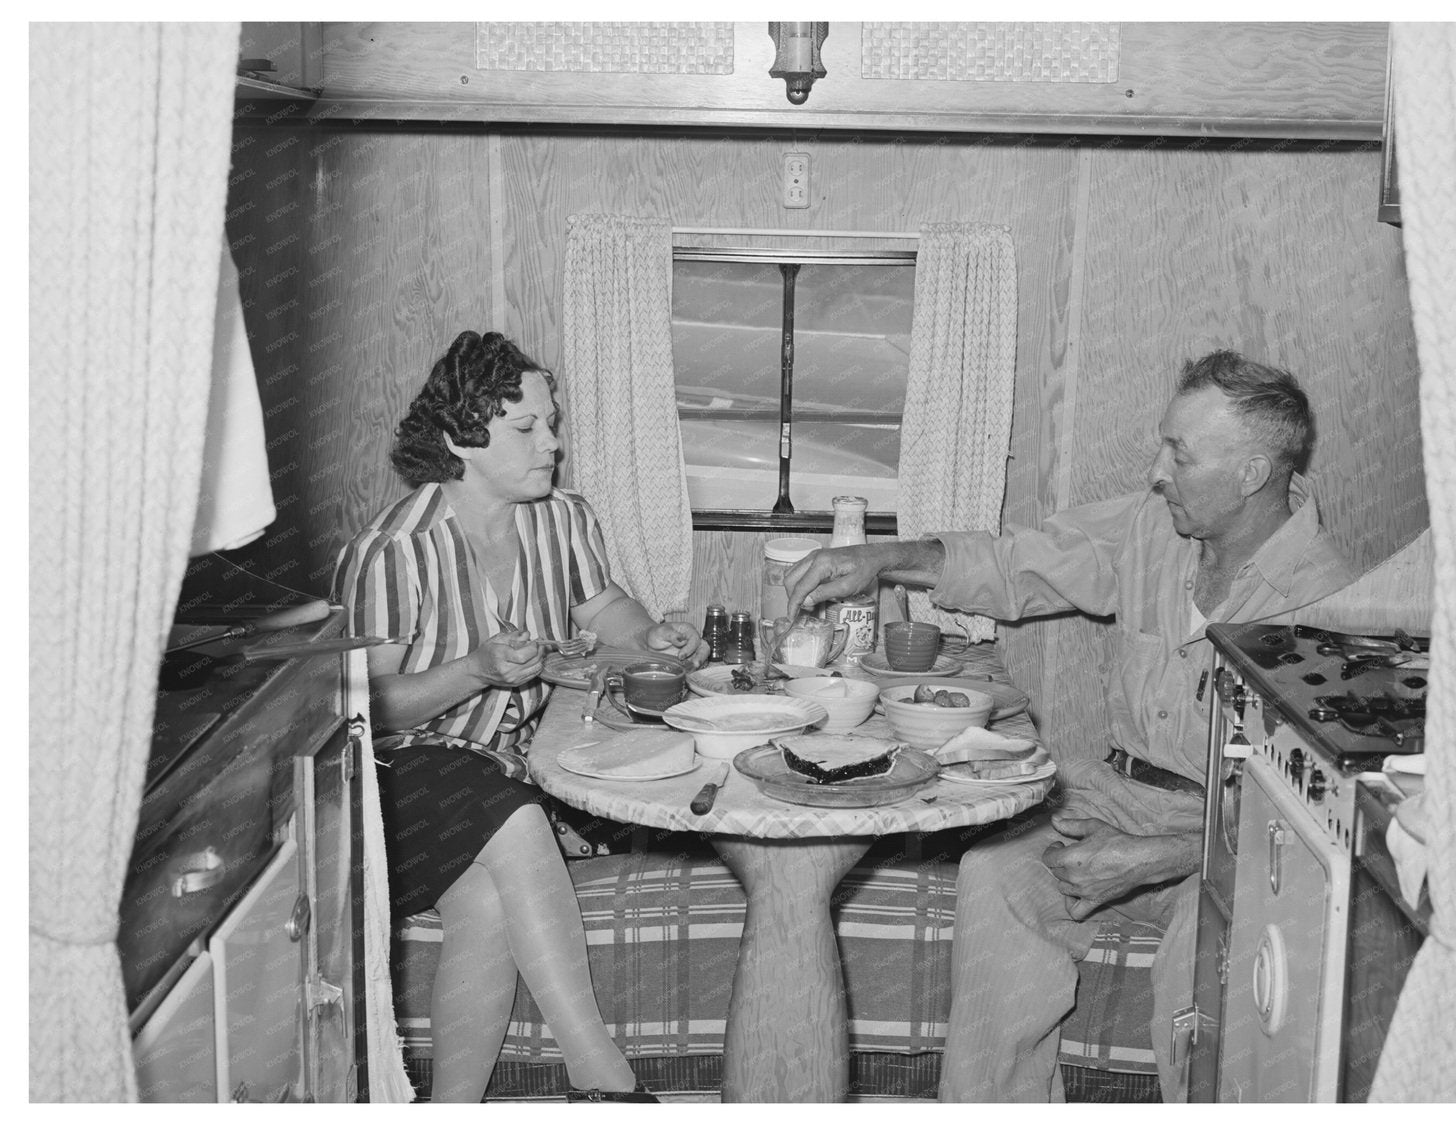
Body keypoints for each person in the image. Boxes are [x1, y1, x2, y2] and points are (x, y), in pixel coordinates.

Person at [783, 350, 1353, 1102]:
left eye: (1180, 454)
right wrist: (881, 558)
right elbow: (1018, 562)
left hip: (1230, 833)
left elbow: (1317, 819)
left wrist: (1161, 855)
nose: (1156, 470)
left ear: (1251, 473)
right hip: (1116, 793)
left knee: (1207, 948)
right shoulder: (1155, 528)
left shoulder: (1330, 605)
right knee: (999, 871)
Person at [332, 329, 706, 1102]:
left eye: (551, 424)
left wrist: (651, 639)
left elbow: (605, 609)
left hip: (502, 774)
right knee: (514, 814)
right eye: (527, 427)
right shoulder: (395, 549)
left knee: (483, 902)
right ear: (458, 440)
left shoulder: (561, 518)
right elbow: (364, 709)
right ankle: (602, 1075)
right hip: (390, 781)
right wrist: (473, 670)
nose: (553, 445)